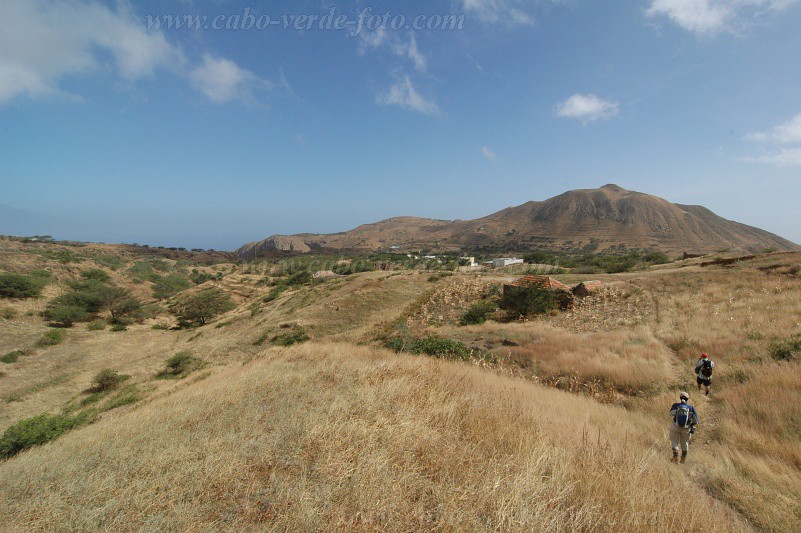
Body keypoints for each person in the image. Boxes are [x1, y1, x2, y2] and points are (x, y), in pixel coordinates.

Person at [669, 391, 699, 464]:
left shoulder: (675, 405)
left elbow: (670, 414)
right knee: (684, 443)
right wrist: (691, 425)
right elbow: (696, 421)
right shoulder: (691, 408)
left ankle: (676, 456)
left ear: (680, 398)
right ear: (687, 399)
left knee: (674, 441)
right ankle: (683, 460)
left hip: (675, 426)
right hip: (686, 428)